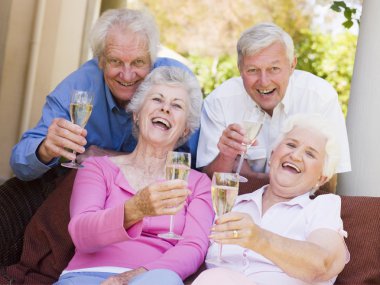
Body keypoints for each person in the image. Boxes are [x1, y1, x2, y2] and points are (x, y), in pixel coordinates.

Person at [53, 66, 214, 285]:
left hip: (153, 279)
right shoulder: (98, 168)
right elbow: (82, 235)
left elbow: (193, 248)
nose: (165, 109)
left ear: (185, 129)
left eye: (176, 105)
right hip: (86, 276)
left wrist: (133, 276)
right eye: (157, 100)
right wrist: (135, 209)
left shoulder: (198, 184)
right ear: (137, 114)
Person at [10, 8, 196, 182]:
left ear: (152, 60)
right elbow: (20, 164)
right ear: (100, 61)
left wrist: (108, 158)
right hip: (82, 188)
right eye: (115, 61)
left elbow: (194, 164)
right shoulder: (79, 87)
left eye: (138, 62)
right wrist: (45, 149)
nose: (127, 75)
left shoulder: (176, 83)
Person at [192, 114, 349, 285]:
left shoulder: (322, 207)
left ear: (322, 178)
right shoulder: (232, 203)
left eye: (310, 154)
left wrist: (258, 238)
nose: (295, 156)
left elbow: (322, 264)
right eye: (290, 144)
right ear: (273, 155)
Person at [196, 22, 351, 194]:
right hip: (238, 205)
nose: (264, 81)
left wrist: (249, 175)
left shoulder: (319, 97)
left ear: (292, 65)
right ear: (240, 69)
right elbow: (208, 180)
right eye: (253, 70)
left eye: (274, 69)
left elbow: (328, 178)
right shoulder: (219, 101)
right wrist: (226, 156)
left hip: (302, 208)